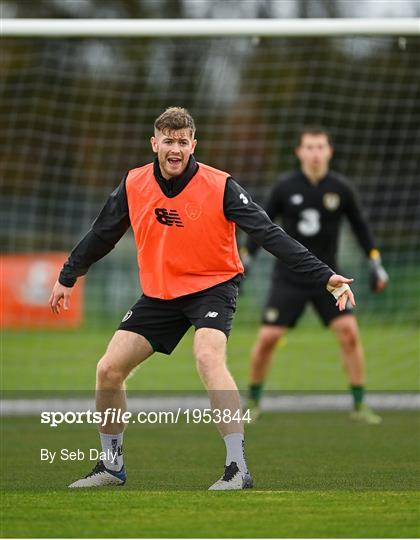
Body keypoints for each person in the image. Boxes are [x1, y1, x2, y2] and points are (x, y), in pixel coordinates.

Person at [49, 109, 355, 490]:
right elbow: (102, 234)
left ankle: (237, 467)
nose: (174, 150)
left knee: (208, 356)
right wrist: (68, 275)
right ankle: (111, 466)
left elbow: (269, 234)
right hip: (160, 294)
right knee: (108, 370)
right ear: (154, 143)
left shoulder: (221, 185)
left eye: (182, 142)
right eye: (168, 141)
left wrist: (325, 275)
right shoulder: (134, 184)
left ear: (193, 145)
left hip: (213, 285)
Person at [243, 126, 388, 425]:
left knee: (349, 334)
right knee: (268, 337)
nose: (315, 153)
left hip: (331, 277)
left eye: (320, 147)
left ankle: (359, 405)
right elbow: (261, 225)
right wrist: (246, 259)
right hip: (289, 277)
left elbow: (361, 228)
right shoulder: (284, 188)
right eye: (309, 147)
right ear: (299, 152)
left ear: (329, 151)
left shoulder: (341, 188)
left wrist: (375, 262)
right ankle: (253, 402)